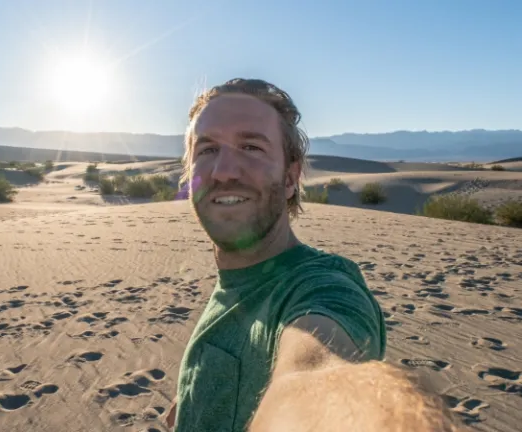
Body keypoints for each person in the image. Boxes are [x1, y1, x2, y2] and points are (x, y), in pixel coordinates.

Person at [167, 78, 461, 432]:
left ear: (290, 178)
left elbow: (318, 371)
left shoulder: (321, 288)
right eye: (207, 150)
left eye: (251, 147)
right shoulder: (237, 280)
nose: (224, 171)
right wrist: (197, 398)